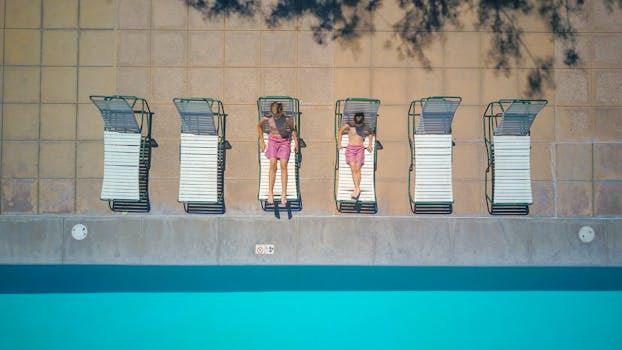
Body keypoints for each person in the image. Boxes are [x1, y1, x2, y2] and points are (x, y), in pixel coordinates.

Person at [258, 102, 299, 205]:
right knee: (272, 164)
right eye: (274, 115)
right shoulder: (267, 118)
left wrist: (296, 142)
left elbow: (293, 130)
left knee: (283, 165)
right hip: (273, 141)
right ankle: (270, 193)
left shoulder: (287, 119)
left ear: (281, 112)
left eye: (277, 115)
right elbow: (259, 126)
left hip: (284, 141)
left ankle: (283, 193)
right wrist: (262, 141)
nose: (275, 117)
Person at [337, 112, 373, 199]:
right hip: (351, 149)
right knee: (353, 168)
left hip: (360, 149)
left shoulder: (365, 127)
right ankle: (357, 188)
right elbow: (340, 131)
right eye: (357, 124)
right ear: (354, 120)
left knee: (358, 168)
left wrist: (370, 144)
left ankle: (357, 188)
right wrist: (339, 143)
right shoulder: (349, 125)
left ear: (363, 121)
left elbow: (370, 133)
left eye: (359, 124)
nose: (358, 125)